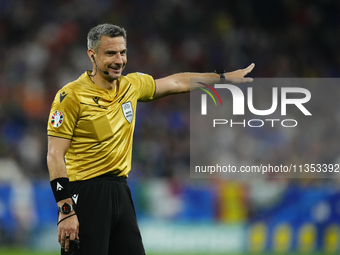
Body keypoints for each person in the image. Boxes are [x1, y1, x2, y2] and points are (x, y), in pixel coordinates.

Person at [47, 23, 255, 255]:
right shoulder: (71, 96)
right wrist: (65, 208)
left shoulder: (131, 86)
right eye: (110, 53)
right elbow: (55, 154)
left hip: (120, 192)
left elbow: (176, 82)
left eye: (122, 52)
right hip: (85, 193)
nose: (119, 60)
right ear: (92, 55)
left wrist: (222, 78)